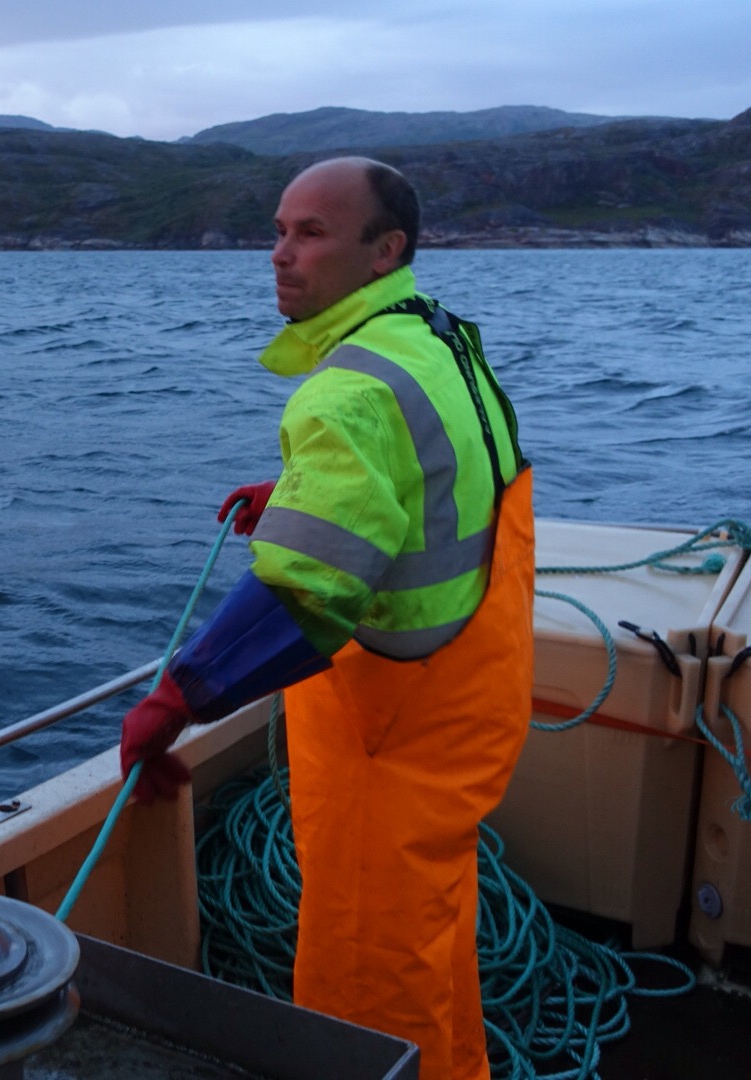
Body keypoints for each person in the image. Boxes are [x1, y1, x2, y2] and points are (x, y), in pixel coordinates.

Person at [118, 156, 533, 1080]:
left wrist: (175, 701)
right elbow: (446, 478)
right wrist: (303, 497)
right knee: (432, 945)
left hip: (390, 735)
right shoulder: (437, 339)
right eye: (278, 230)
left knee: (368, 980)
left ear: (385, 251)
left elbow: (308, 593)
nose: (280, 254)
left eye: (312, 234)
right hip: (468, 700)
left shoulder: (350, 390)